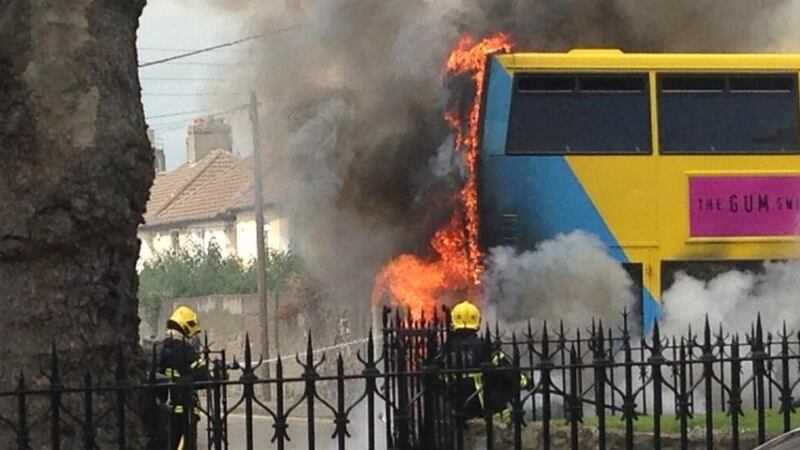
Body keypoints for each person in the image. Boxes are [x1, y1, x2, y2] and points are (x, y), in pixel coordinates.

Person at [439, 300, 529, 420]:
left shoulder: (444, 351)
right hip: (487, 411)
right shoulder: (483, 347)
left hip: (456, 411)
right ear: (477, 322)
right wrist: (526, 382)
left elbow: (435, 380)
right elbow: (508, 372)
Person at [157, 305, 210, 450]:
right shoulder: (187, 350)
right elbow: (204, 376)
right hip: (185, 412)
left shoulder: (158, 349)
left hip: (161, 412)